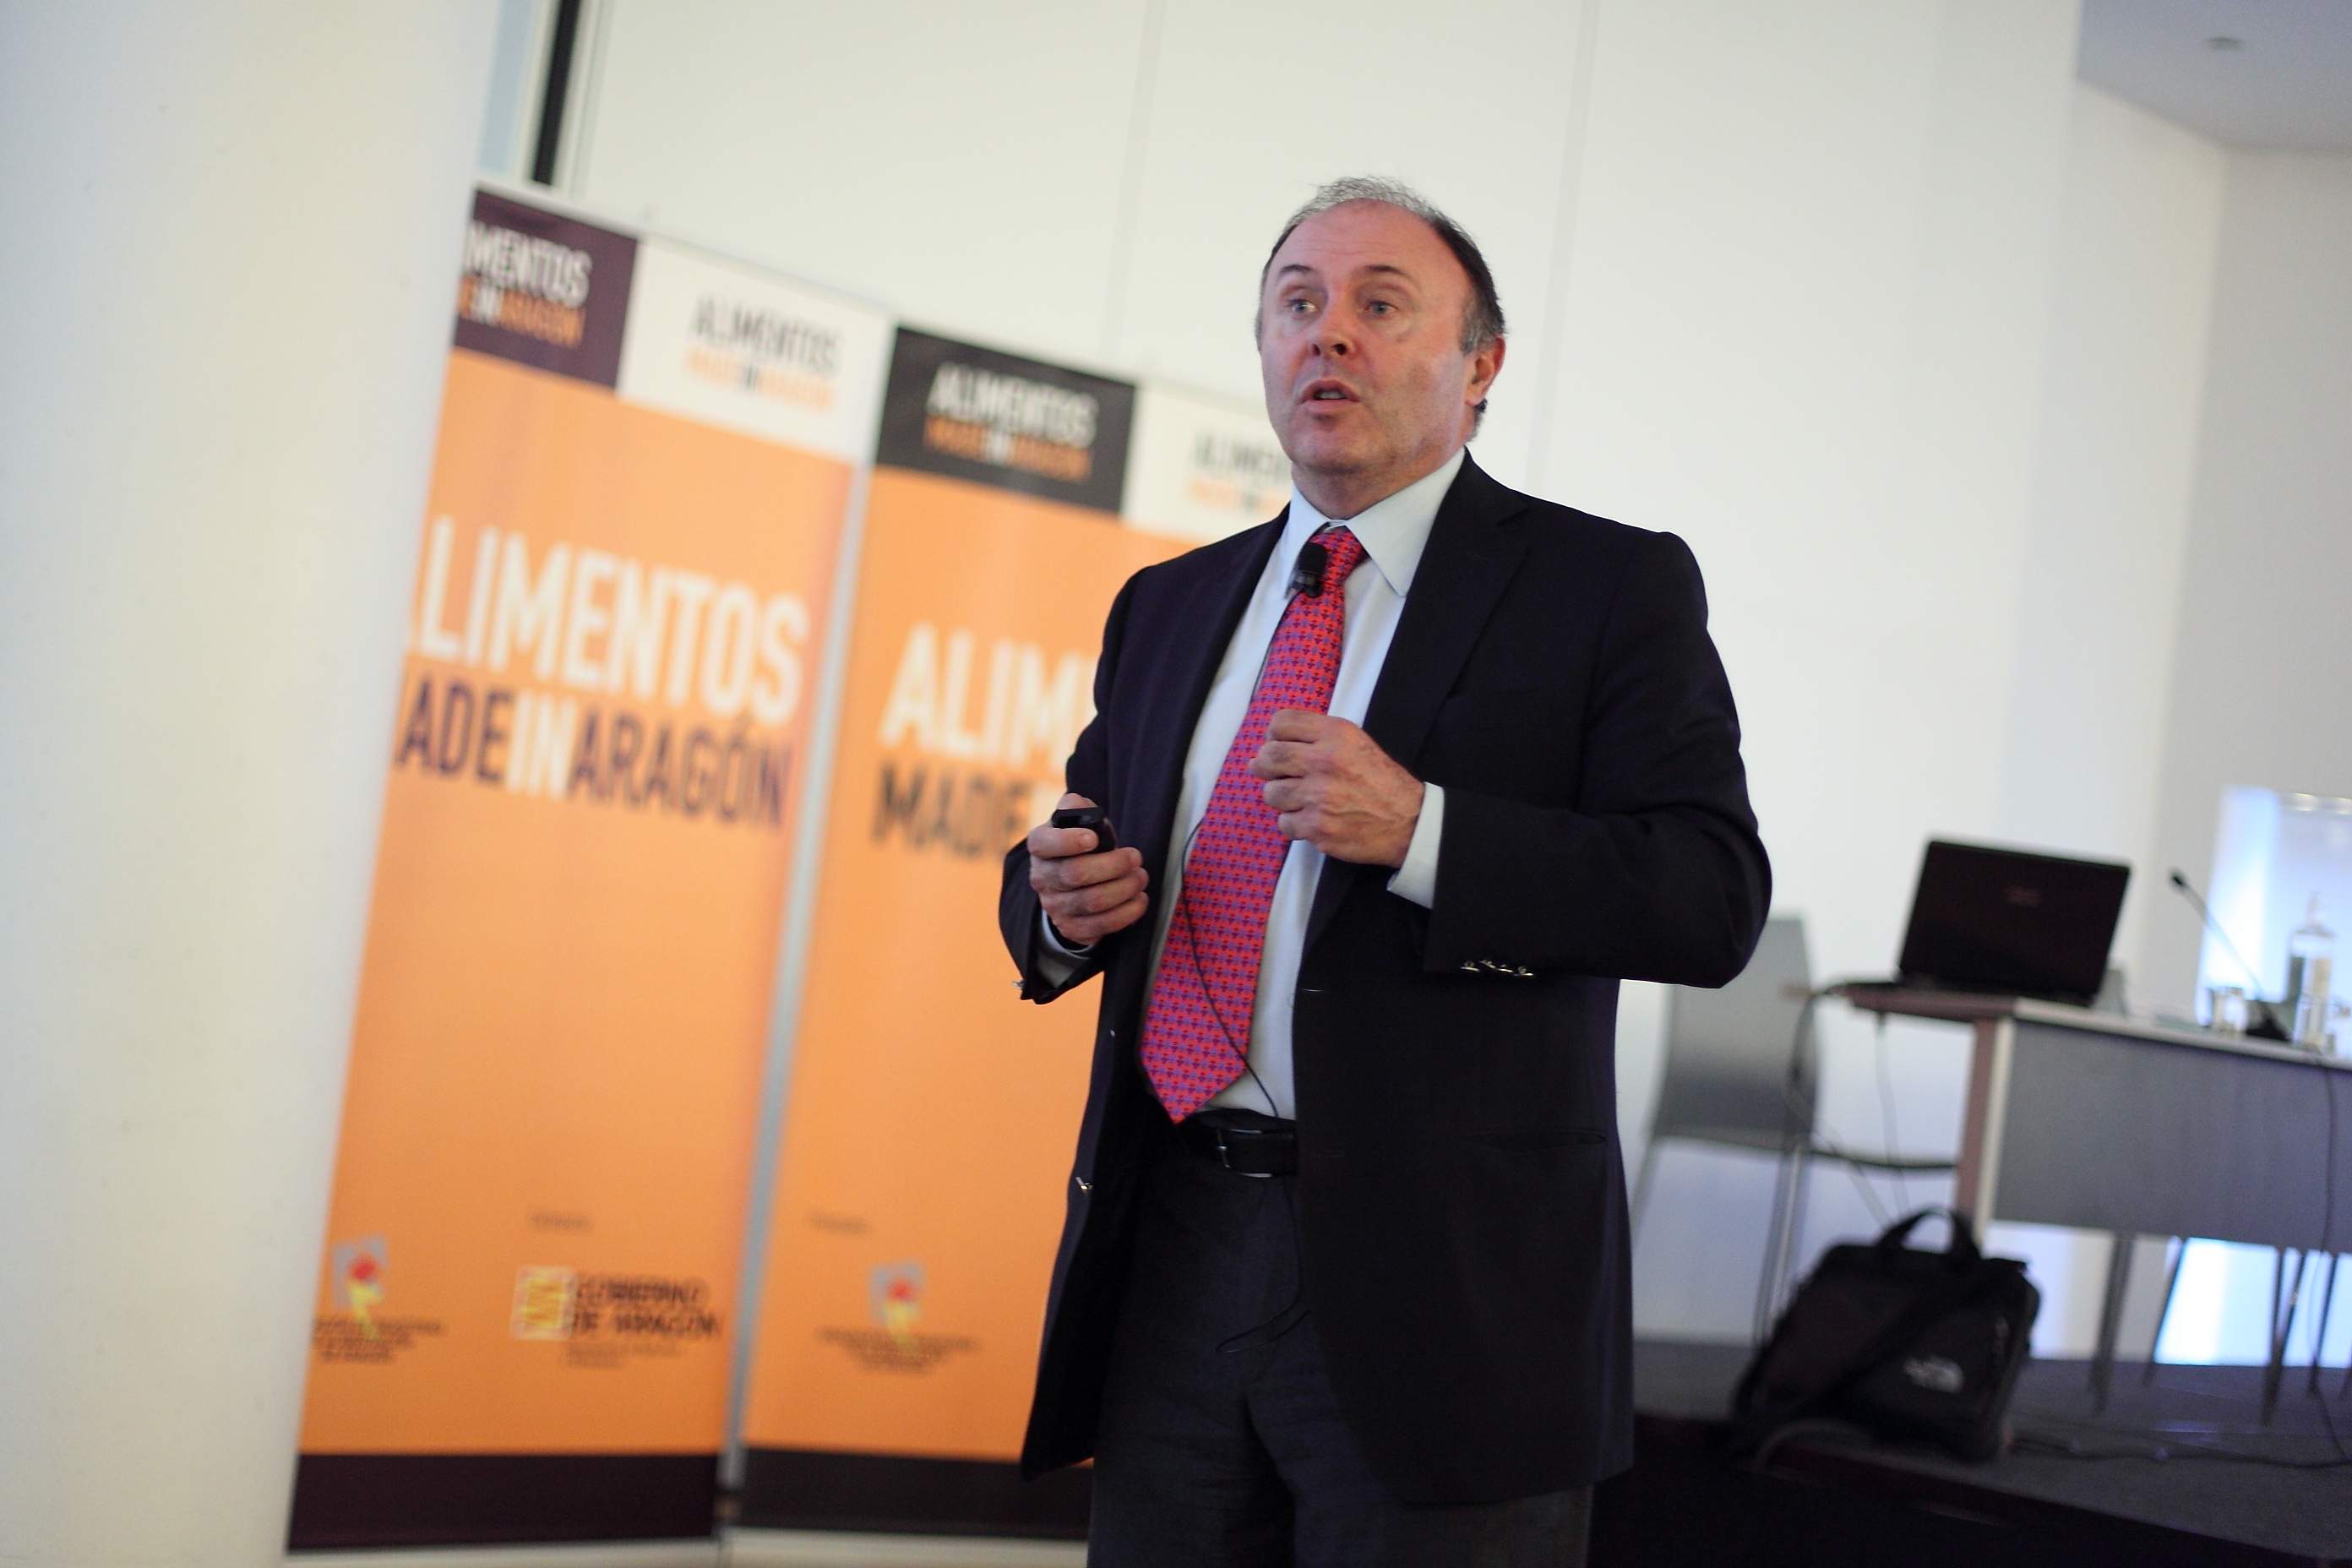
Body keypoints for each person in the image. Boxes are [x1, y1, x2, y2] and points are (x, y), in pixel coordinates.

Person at [996, 175, 1769, 1566]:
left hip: (1450, 1301)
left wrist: (1425, 832)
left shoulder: (1605, 590)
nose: (1328, 334)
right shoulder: (1169, 602)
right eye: (1296, 304)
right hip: (1177, 1248)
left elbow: (1709, 895)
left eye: (1380, 304)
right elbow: (1081, 835)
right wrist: (1057, 908)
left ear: (1482, 365)